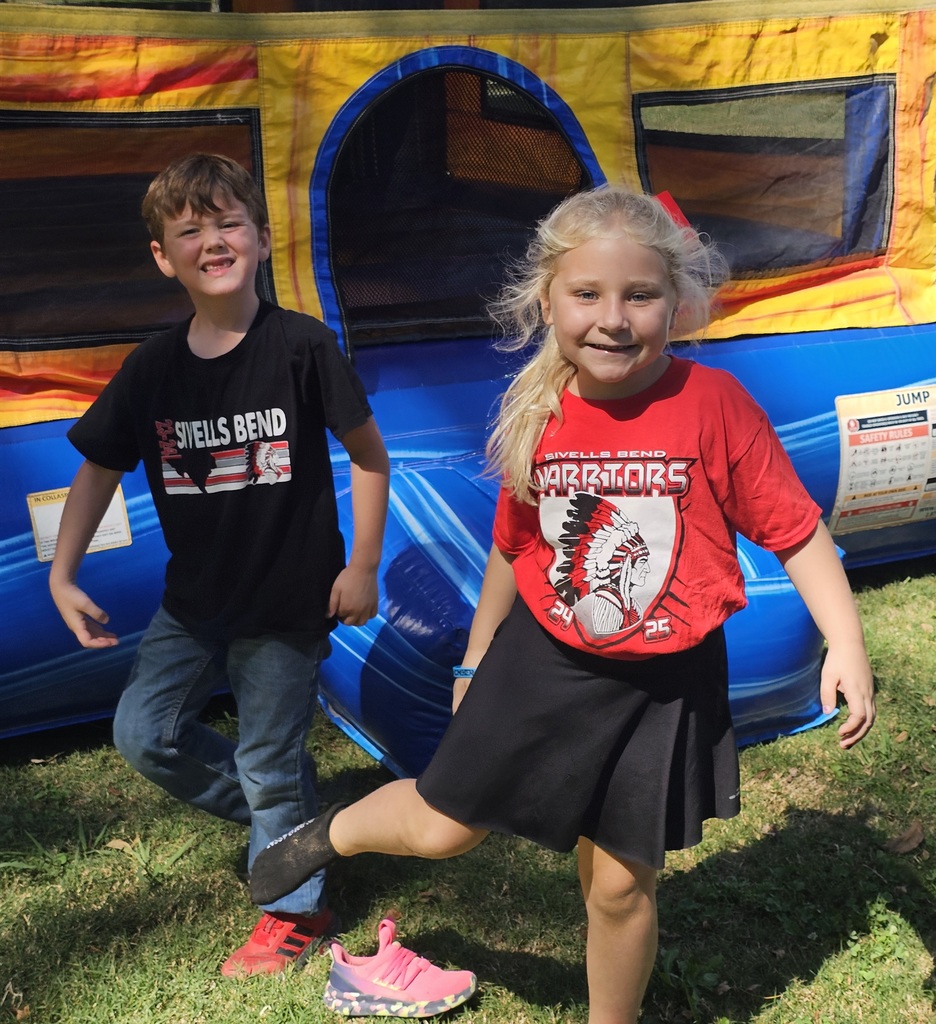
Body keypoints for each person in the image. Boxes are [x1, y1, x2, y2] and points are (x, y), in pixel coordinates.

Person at [248, 185, 876, 1022]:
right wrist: (474, 656)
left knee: (619, 887)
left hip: (665, 684)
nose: (613, 318)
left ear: (677, 302)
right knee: (444, 830)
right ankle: (330, 833)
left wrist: (846, 644)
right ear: (547, 301)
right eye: (587, 294)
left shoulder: (715, 406)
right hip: (543, 665)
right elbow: (516, 546)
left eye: (640, 295)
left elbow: (797, 531)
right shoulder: (540, 414)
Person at [49, 153, 391, 977]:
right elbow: (99, 467)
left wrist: (365, 565)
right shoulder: (152, 368)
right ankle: (296, 829)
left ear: (264, 240)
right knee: (142, 734)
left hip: (287, 604)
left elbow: (371, 459)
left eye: (228, 222)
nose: (212, 240)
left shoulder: (303, 347)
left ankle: (294, 910)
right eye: (189, 230)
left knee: (271, 762)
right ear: (164, 257)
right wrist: (62, 575)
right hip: (192, 603)